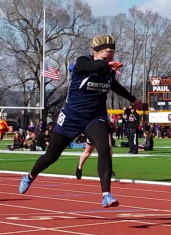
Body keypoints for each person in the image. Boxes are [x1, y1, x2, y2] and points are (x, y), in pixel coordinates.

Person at [18, 34, 142, 207]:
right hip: (71, 118)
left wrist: (132, 98)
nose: (110, 61)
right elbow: (88, 65)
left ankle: (106, 195)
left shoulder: (108, 71)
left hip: (94, 117)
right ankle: (31, 175)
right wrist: (106, 64)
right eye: (106, 58)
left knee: (104, 148)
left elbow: (113, 85)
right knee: (51, 156)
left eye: (112, 58)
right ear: (95, 53)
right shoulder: (82, 63)